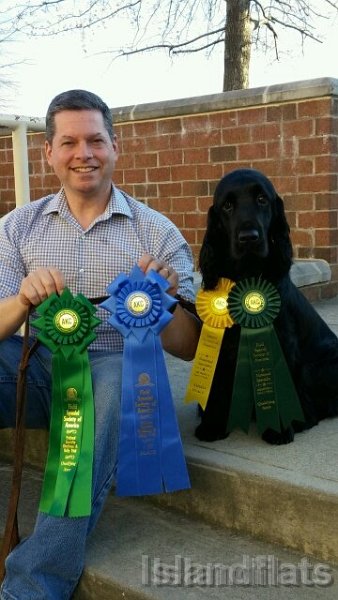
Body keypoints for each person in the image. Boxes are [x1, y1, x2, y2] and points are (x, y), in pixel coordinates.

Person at [0, 89, 200, 599]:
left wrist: (168, 301)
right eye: (68, 142)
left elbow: (189, 348)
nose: (82, 153)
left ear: (116, 146)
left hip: (119, 373)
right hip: (34, 367)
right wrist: (22, 299)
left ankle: (33, 584)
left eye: (95, 140)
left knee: (108, 386)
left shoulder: (157, 233)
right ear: (49, 152)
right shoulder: (15, 228)